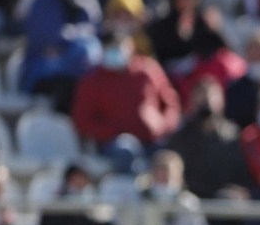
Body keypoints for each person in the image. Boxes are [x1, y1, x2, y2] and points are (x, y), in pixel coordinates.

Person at [71, 28, 181, 173]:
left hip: (152, 141)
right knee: (126, 150)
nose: (116, 51)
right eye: (111, 47)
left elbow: (171, 103)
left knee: (172, 155)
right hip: (113, 145)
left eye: (120, 46)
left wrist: (163, 125)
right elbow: (82, 120)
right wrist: (113, 132)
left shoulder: (148, 70)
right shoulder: (92, 80)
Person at [21, 0, 102, 110]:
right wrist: (74, 38)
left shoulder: (89, 4)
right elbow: (45, 42)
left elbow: (93, 42)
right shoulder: (41, 3)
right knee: (68, 88)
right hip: (42, 74)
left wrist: (68, 43)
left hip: (81, 73)